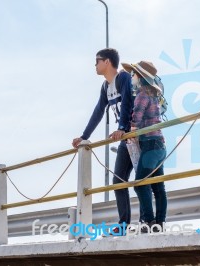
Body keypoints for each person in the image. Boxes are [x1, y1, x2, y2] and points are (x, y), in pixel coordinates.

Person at [72, 48, 134, 232]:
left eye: (97, 61)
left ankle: (152, 223)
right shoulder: (106, 87)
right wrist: (84, 136)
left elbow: (129, 103)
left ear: (107, 62)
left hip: (138, 134)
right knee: (118, 181)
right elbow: (99, 111)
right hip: (126, 139)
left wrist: (122, 127)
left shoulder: (123, 78)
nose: (95, 65)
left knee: (147, 180)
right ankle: (124, 225)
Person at [121, 61, 167, 232]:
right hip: (159, 146)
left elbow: (137, 119)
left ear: (139, 77)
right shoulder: (153, 94)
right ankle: (159, 224)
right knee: (158, 187)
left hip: (150, 146)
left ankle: (149, 222)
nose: (131, 77)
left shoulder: (141, 94)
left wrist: (130, 133)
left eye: (133, 74)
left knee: (140, 184)